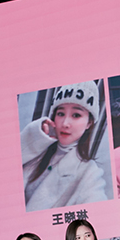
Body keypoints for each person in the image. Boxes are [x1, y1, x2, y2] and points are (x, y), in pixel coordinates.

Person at [21, 81, 107, 210]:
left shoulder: (90, 174)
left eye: (76, 115)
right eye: (60, 114)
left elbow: (97, 205)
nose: (65, 123)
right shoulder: (37, 146)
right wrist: (34, 137)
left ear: (89, 123)